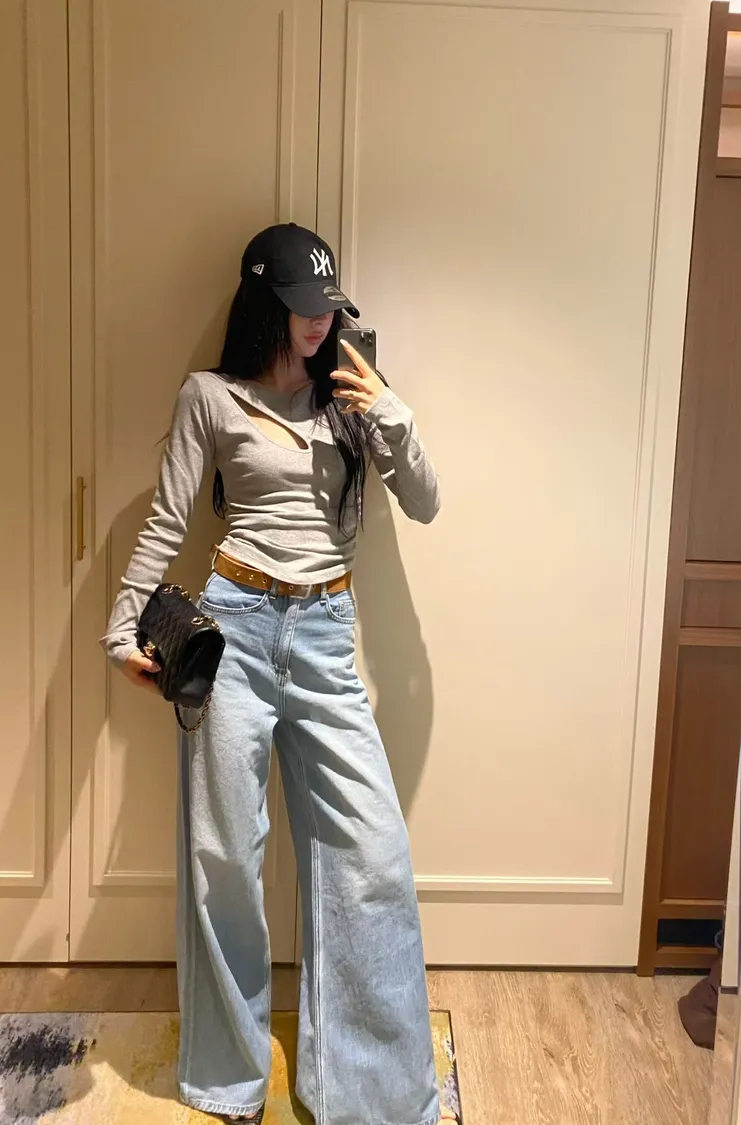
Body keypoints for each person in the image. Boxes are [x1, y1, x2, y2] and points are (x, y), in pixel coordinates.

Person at [102, 223, 453, 1125]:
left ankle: (366, 1090)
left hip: (328, 634)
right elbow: (167, 519)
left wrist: (391, 410)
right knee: (226, 856)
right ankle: (230, 1078)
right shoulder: (210, 396)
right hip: (237, 629)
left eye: (327, 305)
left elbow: (424, 501)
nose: (317, 321)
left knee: (371, 858)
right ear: (263, 302)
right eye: (300, 306)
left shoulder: (351, 399)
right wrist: (120, 627)